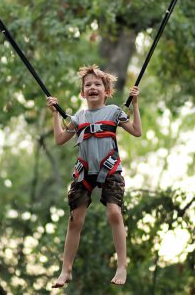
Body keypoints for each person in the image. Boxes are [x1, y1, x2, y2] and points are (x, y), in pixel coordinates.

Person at [47, 64, 142, 288]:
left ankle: (121, 265)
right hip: (84, 173)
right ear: (82, 93)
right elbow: (60, 139)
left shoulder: (115, 112)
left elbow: (137, 131)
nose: (92, 87)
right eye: (88, 85)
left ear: (106, 91)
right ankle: (66, 269)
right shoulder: (78, 117)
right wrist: (54, 115)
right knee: (74, 220)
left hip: (110, 170)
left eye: (97, 84)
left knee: (114, 213)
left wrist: (135, 104)